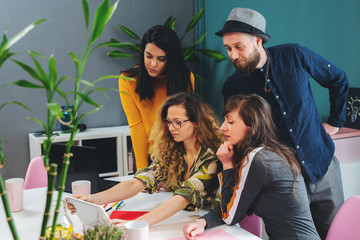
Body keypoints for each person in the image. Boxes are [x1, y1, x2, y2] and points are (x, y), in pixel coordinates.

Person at [214, 8, 348, 239]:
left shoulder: (294, 54)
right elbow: (238, 135)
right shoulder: (233, 86)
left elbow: (337, 78)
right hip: (285, 183)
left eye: (238, 47)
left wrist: (335, 122)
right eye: (228, 48)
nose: (233, 55)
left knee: (336, 234)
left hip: (323, 166)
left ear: (257, 41)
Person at [68, 92, 223, 226]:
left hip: (210, 223)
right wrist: (93, 199)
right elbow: (137, 183)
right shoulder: (174, 150)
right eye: (168, 121)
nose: (171, 128)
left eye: (178, 122)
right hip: (183, 217)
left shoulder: (212, 156)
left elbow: (184, 197)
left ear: (196, 123)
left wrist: (139, 223)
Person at [183, 94, 320, 240]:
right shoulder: (269, 152)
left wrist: (227, 165)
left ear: (251, 126)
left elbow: (230, 216)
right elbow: (235, 205)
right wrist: (202, 222)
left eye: (230, 122)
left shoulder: (257, 158)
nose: (222, 127)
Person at [119, 25, 195, 170]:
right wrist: (142, 171)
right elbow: (137, 128)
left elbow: (186, 125)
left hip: (178, 153)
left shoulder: (185, 78)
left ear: (171, 59)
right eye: (148, 56)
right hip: (148, 155)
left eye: (161, 59)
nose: (153, 64)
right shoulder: (128, 80)